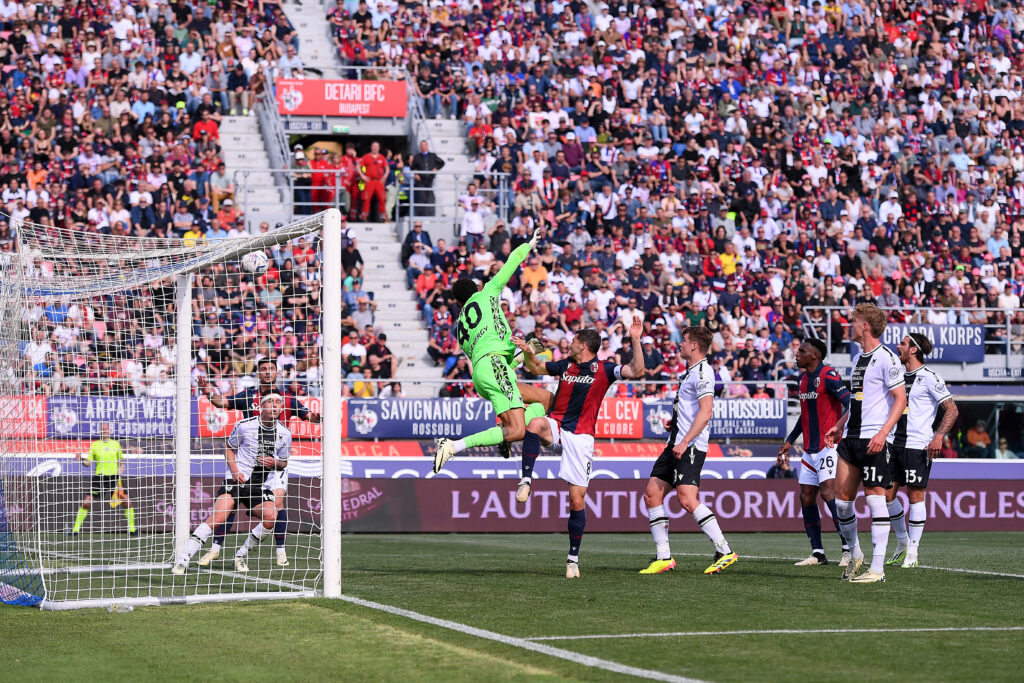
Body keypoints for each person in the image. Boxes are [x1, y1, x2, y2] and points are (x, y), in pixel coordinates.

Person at [512, 318, 646, 577]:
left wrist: (636, 339)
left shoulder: (605, 369)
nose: (569, 343)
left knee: (577, 499)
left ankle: (572, 559)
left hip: (582, 438)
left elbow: (637, 371)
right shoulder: (566, 365)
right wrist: (529, 354)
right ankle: (525, 480)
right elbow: (538, 368)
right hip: (558, 426)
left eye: (573, 341)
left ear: (584, 345)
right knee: (536, 422)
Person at [433, 229, 543, 472]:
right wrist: (529, 244)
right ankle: (454, 446)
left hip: (483, 374)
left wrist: (517, 359)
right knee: (518, 430)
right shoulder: (488, 293)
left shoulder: (460, 327)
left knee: (544, 401)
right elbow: (513, 260)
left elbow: (487, 353)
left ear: (459, 303)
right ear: (476, 288)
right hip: (495, 366)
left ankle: (504, 433)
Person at [196, 358, 320, 567]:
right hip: (247, 464)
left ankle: (280, 551)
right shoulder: (248, 396)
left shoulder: (287, 399)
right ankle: (215, 549)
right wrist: (208, 392)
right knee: (230, 504)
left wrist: (316, 418)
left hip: (274, 463)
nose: (267, 372)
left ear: (277, 372)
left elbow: (308, 416)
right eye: (263, 369)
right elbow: (222, 403)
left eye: (271, 369)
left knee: (278, 505)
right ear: (258, 373)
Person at [639, 326, 738, 576]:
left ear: (694, 345)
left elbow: (706, 412)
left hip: (689, 446)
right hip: (676, 442)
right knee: (652, 494)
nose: (680, 344)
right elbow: (692, 410)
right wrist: (676, 423)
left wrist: (684, 442)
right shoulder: (689, 373)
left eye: (683, 341)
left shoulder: (703, 372)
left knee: (687, 499)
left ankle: (724, 550)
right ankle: (664, 557)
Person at [824, 303, 907, 583]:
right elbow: (859, 401)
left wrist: (883, 434)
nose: (850, 324)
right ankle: (856, 553)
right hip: (851, 438)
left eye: (854, 321)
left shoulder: (887, 358)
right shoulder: (860, 357)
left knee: (875, 501)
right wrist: (839, 424)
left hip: (874, 439)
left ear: (866, 326)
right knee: (842, 503)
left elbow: (900, 399)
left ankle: (878, 569)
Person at [173, 395, 292, 575]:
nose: (274, 406)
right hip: (236, 481)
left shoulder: (285, 434)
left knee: (271, 516)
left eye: (278, 403)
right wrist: (235, 471)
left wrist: (274, 463)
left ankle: (241, 555)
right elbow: (228, 448)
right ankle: (183, 560)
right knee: (218, 518)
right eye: (270, 402)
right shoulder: (245, 425)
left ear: (281, 409)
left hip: (259, 486)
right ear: (261, 406)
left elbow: (283, 462)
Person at [884, 333, 959, 568]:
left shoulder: (929, 377)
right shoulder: (896, 376)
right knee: (886, 496)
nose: (898, 346)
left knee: (915, 495)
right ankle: (903, 540)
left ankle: (913, 553)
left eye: (903, 344)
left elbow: (952, 409)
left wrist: (938, 436)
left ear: (914, 350)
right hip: (894, 443)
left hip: (918, 445)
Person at [777, 338, 852, 566]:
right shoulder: (803, 380)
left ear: (815, 356)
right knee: (806, 496)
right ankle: (818, 553)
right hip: (809, 449)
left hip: (828, 446)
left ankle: (849, 549)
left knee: (828, 493)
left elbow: (851, 403)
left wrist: (839, 428)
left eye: (802, 351)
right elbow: (805, 415)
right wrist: (790, 441)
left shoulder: (829, 375)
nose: (797, 354)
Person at [72, 423, 136, 534]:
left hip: (114, 478)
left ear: (110, 431)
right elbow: (88, 463)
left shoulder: (115, 444)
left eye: (106, 429)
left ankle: (132, 529)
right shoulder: (95, 445)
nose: (105, 431)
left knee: (127, 501)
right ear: (100, 431)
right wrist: (81, 459)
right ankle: (75, 530)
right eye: (103, 429)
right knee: (86, 502)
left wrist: (122, 466)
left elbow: (120, 460)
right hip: (99, 478)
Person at [410, 140, 445, 216]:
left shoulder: (433, 156)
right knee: (421, 198)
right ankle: (421, 216)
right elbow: (412, 167)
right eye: (421, 145)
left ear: (427, 146)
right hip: (421, 181)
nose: (423, 147)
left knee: (430, 198)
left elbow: (442, 163)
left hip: (430, 180)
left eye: (424, 145)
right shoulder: (417, 157)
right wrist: (416, 174)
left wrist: (436, 168)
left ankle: (430, 215)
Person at [358, 141, 388, 222]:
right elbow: (358, 166)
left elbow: (387, 168)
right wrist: (363, 176)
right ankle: (364, 216)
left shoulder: (382, 157)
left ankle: (383, 216)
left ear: (379, 148)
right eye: (373, 146)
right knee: (366, 198)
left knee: (382, 198)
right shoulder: (366, 157)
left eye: (376, 146)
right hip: (369, 181)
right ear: (371, 147)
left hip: (379, 181)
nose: (375, 148)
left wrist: (384, 177)